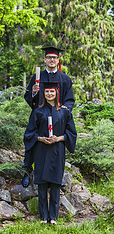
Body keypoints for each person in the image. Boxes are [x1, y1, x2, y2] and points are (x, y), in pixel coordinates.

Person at [24, 82, 77, 224]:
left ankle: (53, 218)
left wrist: (58, 138)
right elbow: (29, 133)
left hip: (57, 150)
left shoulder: (64, 111)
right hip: (41, 150)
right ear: (43, 93)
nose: (49, 94)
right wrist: (40, 138)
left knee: (55, 183)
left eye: (52, 92)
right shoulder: (37, 112)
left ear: (56, 93)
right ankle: (43, 217)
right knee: (41, 184)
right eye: (47, 92)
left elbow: (72, 133)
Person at [22, 46, 75, 187]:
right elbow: (28, 97)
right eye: (49, 57)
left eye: (54, 58)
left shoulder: (65, 79)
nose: (52, 60)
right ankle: (27, 172)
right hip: (39, 115)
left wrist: (65, 110)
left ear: (58, 60)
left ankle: (56, 177)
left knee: (56, 146)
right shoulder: (37, 77)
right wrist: (33, 93)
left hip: (58, 117)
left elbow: (70, 99)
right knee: (33, 141)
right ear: (44, 60)